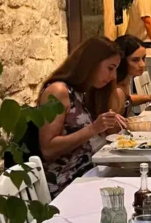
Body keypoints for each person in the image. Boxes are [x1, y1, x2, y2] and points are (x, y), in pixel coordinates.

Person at [37, 37, 126, 195]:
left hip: (91, 173)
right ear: (91, 63)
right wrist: (93, 129)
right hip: (67, 183)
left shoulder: (83, 92)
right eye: (110, 68)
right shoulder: (58, 91)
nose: (113, 76)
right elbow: (48, 148)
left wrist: (109, 123)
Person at [113, 35, 151, 116]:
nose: (142, 64)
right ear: (121, 61)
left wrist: (150, 97)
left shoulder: (125, 80)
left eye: (143, 58)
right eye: (135, 60)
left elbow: (127, 99)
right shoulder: (117, 89)